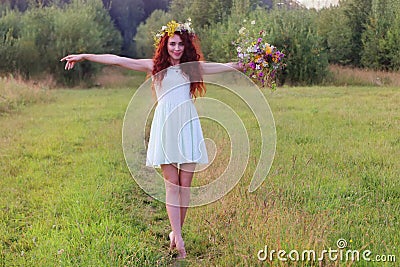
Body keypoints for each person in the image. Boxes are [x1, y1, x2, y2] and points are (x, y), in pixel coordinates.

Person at [61, 19, 241, 259]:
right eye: (172, 44)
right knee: (172, 185)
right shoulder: (154, 66)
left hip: (187, 124)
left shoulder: (193, 68)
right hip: (165, 126)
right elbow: (118, 60)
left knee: (185, 185)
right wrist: (84, 56)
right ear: (165, 45)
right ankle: (179, 240)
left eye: (180, 45)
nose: (176, 49)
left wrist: (256, 60)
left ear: (186, 46)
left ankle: (175, 234)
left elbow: (229, 65)